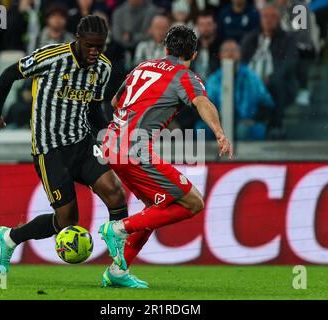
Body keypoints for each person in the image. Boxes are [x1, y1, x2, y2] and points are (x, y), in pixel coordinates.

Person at [0, 16, 146, 287]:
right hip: (50, 150)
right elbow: (8, 74)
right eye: (90, 45)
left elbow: (95, 109)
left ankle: (118, 269)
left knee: (116, 195)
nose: (95, 51)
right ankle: (9, 238)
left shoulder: (103, 68)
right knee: (67, 221)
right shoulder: (52, 57)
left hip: (83, 144)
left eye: (100, 46)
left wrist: (110, 135)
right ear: (78, 39)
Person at [99, 25, 233, 288]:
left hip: (110, 143)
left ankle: (117, 270)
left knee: (155, 208)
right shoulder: (186, 77)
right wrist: (219, 131)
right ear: (194, 54)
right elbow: (203, 103)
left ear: (165, 48)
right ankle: (117, 229)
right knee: (193, 202)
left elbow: (115, 102)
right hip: (134, 149)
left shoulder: (142, 67)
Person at [195, 40, 275, 141]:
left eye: (233, 50)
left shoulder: (251, 77)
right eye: (226, 50)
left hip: (246, 122)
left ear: (240, 54)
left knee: (243, 130)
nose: (230, 53)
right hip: (219, 122)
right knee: (201, 129)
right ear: (220, 55)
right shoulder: (213, 80)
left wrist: (254, 119)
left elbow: (266, 103)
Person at [241, 3, 298, 138]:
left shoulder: (287, 39)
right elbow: (241, 61)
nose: (268, 19)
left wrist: (268, 78)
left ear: (279, 19)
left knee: (276, 82)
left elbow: (289, 63)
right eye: (265, 16)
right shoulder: (251, 38)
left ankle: (275, 125)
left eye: (273, 16)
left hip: (275, 83)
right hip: (250, 81)